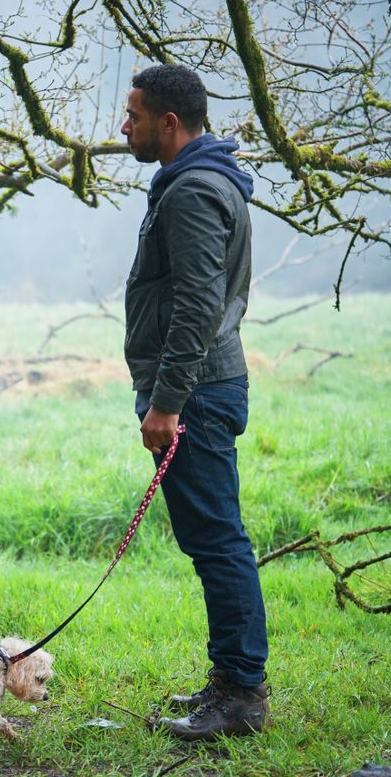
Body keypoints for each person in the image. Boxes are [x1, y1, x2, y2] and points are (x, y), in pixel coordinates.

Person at [119, 65, 268, 741]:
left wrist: (168, 402)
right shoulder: (202, 181)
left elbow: (200, 307)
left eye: (135, 114)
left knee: (217, 541)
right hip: (201, 389)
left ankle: (239, 696)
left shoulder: (193, 191)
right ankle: (232, 680)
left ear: (168, 123)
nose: (125, 127)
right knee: (214, 539)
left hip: (197, 394)